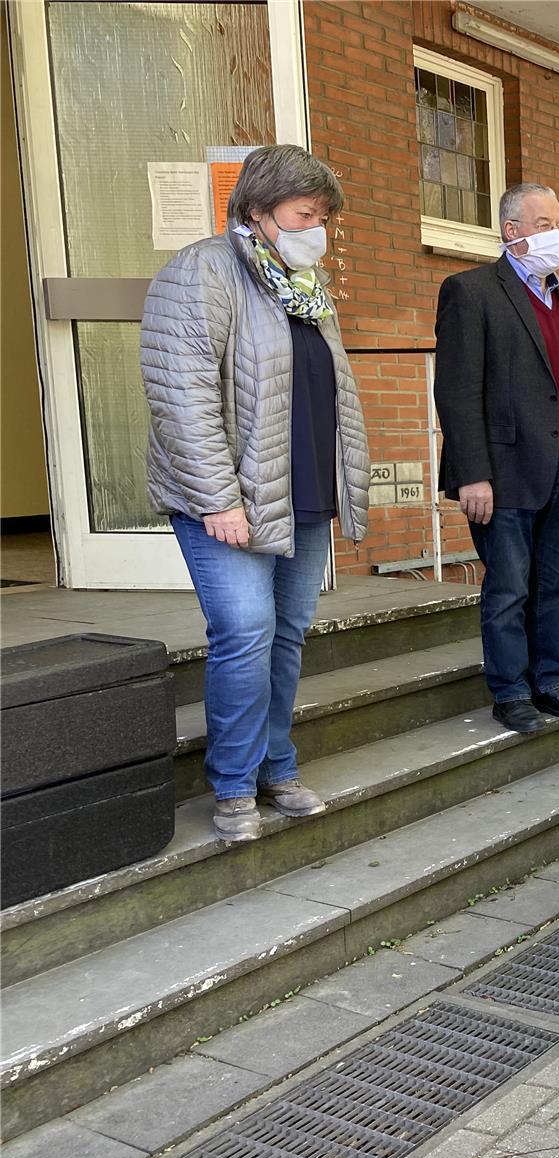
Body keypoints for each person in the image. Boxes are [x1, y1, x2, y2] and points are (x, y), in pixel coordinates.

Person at [141, 144, 369, 843]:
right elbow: (182, 396)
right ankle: (235, 785)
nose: (318, 228)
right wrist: (217, 499)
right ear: (260, 210)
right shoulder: (201, 272)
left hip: (299, 491)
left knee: (287, 635)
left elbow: (330, 392)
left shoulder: (301, 284)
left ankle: (277, 765)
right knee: (245, 633)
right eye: (306, 214)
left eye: (324, 216)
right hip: (228, 498)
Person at [434, 183, 559, 734]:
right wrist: (472, 473)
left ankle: (548, 682)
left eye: (558, 223)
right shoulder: (472, 291)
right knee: (510, 586)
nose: (555, 234)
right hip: (503, 472)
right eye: (542, 223)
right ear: (511, 231)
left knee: (555, 585)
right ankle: (510, 693)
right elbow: (459, 390)